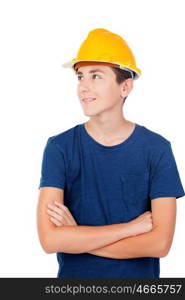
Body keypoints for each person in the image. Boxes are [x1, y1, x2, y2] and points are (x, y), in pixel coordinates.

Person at [37, 28, 185, 278]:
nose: (83, 87)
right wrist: (128, 229)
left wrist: (77, 235)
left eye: (96, 76)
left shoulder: (157, 150)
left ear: (125, 87)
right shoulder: (59, 148)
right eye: (80, 76)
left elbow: (160, 244)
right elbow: (50, 240)